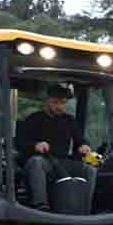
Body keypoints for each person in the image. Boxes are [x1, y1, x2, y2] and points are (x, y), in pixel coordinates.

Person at [15, 83, 97, 212]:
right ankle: (41, 206)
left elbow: (80, 140)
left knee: (90, 170)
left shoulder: (69, 120)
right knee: (36, 162)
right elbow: (19, 142)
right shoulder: (33, 119)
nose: (60, 106)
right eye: (56, 102)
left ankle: (86, 208)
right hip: (42, 160)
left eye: (63, 103)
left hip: (63, 162)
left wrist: (84, 146)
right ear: (47, 101)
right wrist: (35, 145)